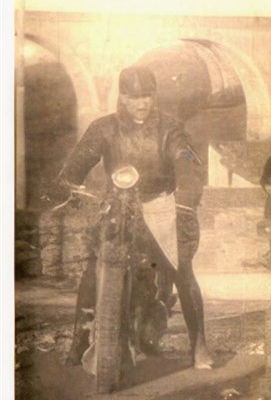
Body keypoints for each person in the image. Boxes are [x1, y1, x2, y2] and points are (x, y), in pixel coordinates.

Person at [54, 66, 214, 369]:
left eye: (147, 96)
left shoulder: (171, 128)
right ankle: (80, 339)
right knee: (93, 268)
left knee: (182, 269)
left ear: (154, 97)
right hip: (117, 204)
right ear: (123, 98)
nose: (142, 103)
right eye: (134, 97)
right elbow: (78, 161)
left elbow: (188, 160)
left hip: (161, 205)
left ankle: (200, 344)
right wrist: (68, 183)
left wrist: (186, 198)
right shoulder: (103, 128)